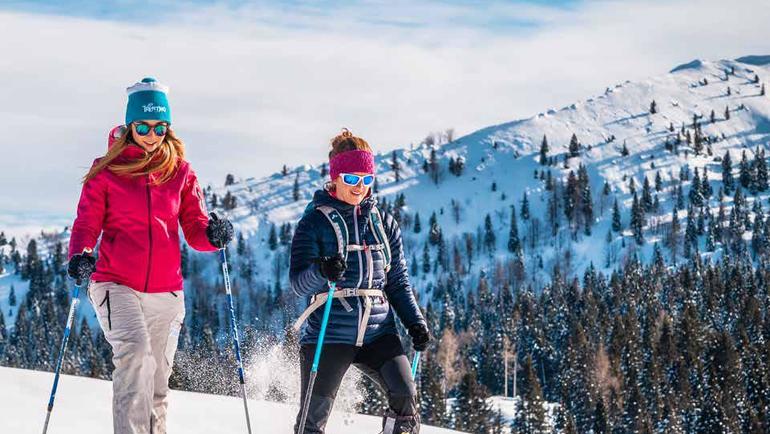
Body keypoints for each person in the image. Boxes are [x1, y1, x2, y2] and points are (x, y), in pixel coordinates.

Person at [66, 77, 234, 434]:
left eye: (160, 127)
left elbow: (194, 227)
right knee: (136, 358)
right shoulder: (106, 171)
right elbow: (87, 224)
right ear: (129, 126)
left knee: (157, 381)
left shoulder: (181, 172)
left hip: (166, 291)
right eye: (143, 126)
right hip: (115, 282)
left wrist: (212, 235)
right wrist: (81, 254)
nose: (151, 133)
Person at [290, 129, 431, 434]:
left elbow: (397, 281)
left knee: (405, 396)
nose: (360, 188)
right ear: (336, 177)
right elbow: (298, 283)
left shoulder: (383, 223)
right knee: (313, 419)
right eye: (352, 179)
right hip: (329, 332)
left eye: (367, 180)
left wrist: (415, 323)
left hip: (378, 331)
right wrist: (322, 271)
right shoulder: (314, 221)